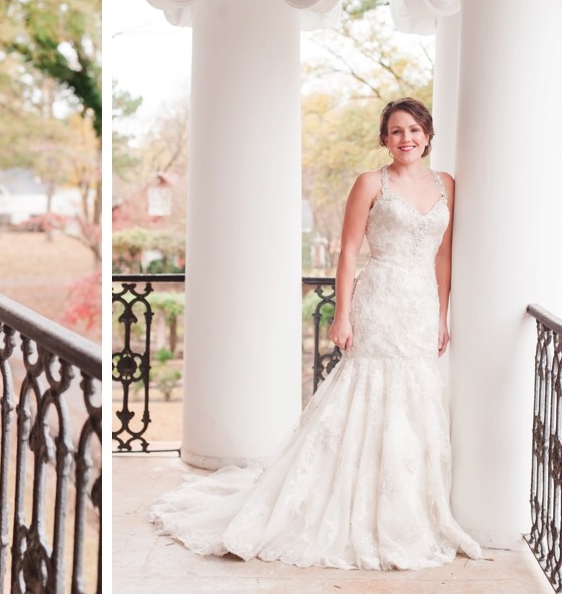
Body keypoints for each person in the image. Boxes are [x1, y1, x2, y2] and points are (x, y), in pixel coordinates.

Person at [148, 98, 483, 570]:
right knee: (365, 393)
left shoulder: (446, 184)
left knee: (414, 401)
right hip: (380, 299)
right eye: (395, 131)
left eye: (413, 130)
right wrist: (342, 314)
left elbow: (444, 256)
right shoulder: (371, 183)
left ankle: (406, 513)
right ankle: (341, 505)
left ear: (427, 135)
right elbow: (348, 252)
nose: (405, 138)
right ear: (384, 139)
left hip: (421, 307)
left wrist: (442, 315)